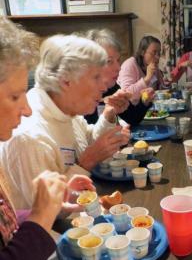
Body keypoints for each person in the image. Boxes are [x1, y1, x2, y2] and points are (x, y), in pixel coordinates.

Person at [0, 17, 90, 260]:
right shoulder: (30, 137)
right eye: (14, 96)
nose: (26, 110)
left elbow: (5, 230)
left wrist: (47, 208)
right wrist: (39, 219)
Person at [0, 34, 130, 210]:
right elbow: (45, 215)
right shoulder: (30, 138)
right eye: (96, 77)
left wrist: (108, 114)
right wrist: (85, 163)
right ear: (66, 81)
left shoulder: (65, 107)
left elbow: (88, 141)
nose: (104, 87)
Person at [83, 29, 155, 126]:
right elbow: (89, 138)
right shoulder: (80, 98)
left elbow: (133, 118)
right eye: (109, 61)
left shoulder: (112, 88)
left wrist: (144, 102)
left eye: (117, 60)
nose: (119, 68)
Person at [117, 35, 165, 101]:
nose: (157, 57)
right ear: (142, 52)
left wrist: (164, 83)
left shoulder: (153, 66)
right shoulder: (129, 65)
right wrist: (147, 79)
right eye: (154, 53)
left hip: (148, 107)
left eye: (159, 53)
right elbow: (126, 94)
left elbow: (158, 90)